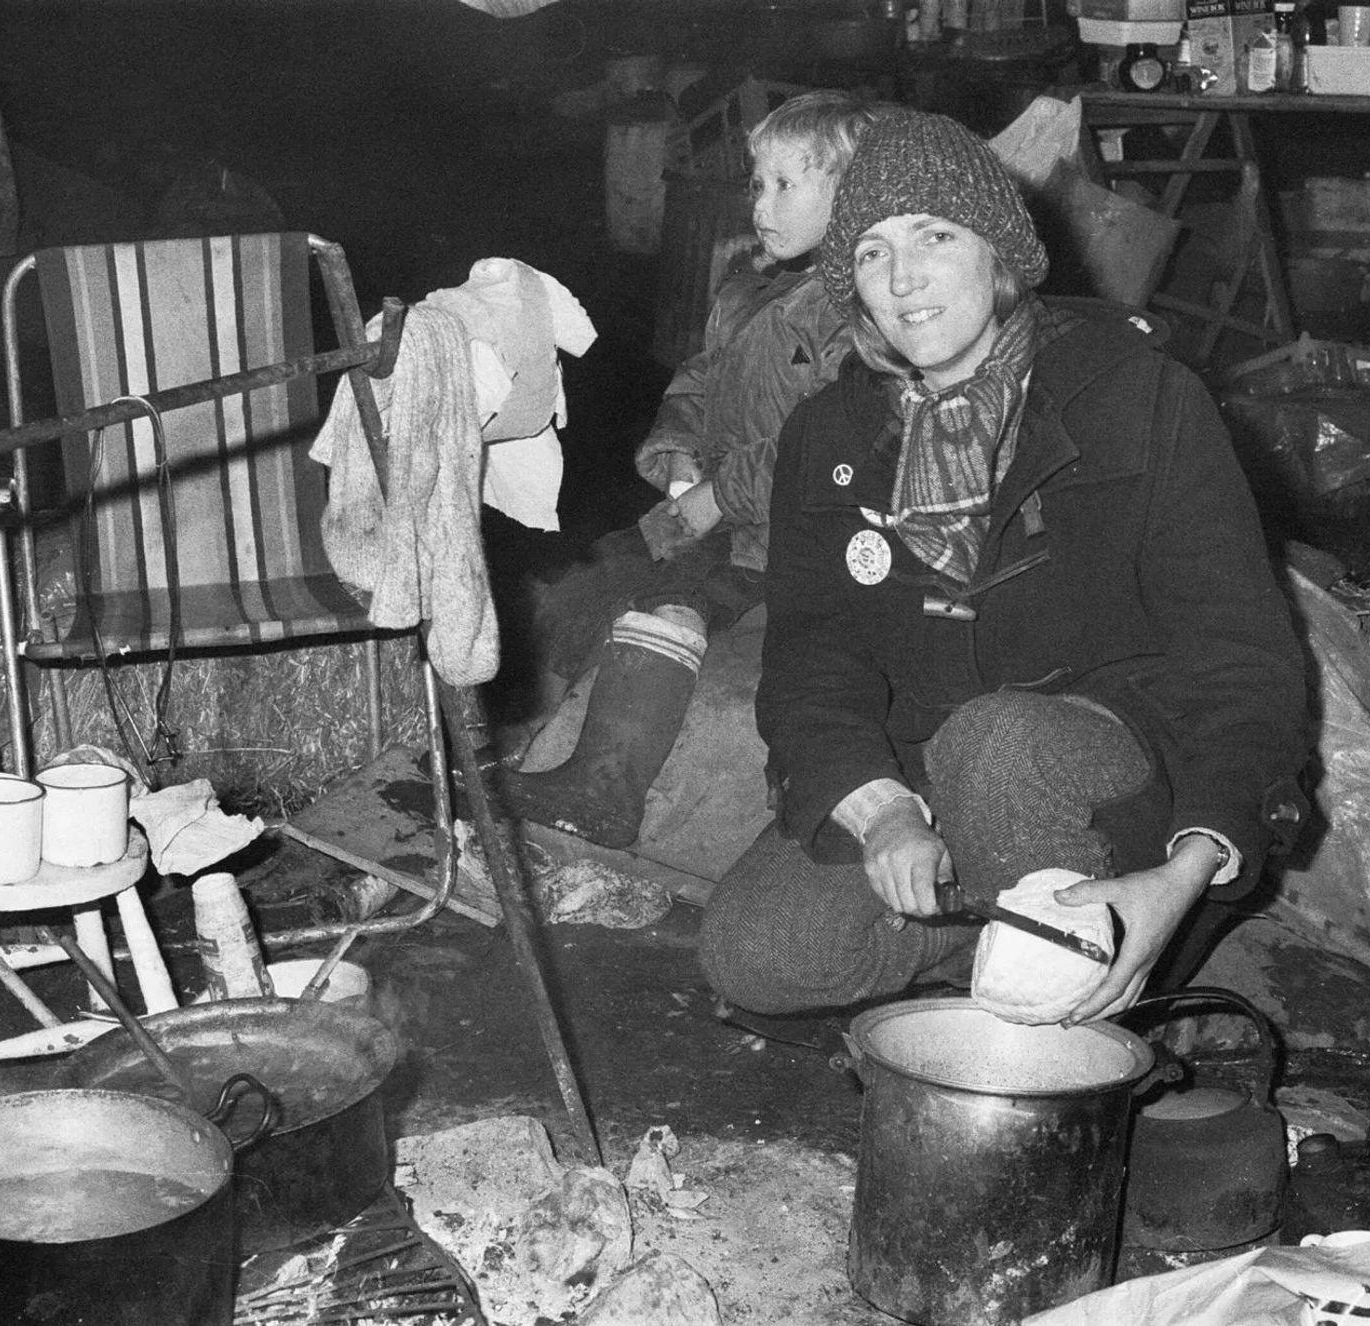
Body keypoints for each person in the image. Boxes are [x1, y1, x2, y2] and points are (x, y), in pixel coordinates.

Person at [697, 110, 1311, 1023]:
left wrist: (1186, 874)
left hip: (1122, 773)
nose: (903, 279)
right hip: (931, 765)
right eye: (870, 252)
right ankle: (998, 946)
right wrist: (883, 811)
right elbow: (812, 654)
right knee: (759, 954)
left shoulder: (1140, 400)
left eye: (934, 236)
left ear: (1000, 253)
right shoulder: (827, 435)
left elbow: (1241, 660)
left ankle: (1098, 962)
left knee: (1000, 743)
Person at [492, 90, 887, 849]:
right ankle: (548, 736)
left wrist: (719, 496)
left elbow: (830, 442)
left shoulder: (857, 313)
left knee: (676, 596)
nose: (760, 203)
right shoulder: (754, 291)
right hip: (718, 503)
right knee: (593, 574)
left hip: (794, 535)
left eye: (784, 184)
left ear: (854, 197)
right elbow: (700, 380)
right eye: (756, 183)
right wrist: (675, 452)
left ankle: (607, 785)